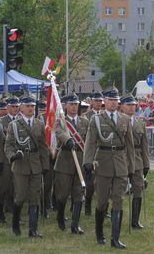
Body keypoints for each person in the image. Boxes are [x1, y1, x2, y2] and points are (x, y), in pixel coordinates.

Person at [83, 87, 135, 249]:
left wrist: (131, 169)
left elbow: (130, 146)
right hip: (103, 162)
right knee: (102, 201)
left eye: (116, 100)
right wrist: (88, 162)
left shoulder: (124, 119)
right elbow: (90, 142)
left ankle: (115, 238)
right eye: (110, 100)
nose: (113, 103)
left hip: (120, 163)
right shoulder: (96, 120)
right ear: (104, 101)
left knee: (118, 200)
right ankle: (99, 233)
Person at [4, 96, 50, 238]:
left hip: (35, 164)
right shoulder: (14, 125)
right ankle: (15, 224)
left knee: (34, 197)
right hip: (21, 164)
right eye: (27, 106)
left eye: (32, 106)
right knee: (21, 196)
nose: (31, 108)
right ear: (21, 108)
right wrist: (12, 156)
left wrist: (45, 165)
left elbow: (43, 146)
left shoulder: (39, 124)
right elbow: (9, 145)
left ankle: (33, 229)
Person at [53, 93, 89, 234]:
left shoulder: (85, 122)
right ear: (66, 105)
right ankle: (60, 217)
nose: (74, 107)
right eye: (71, 104)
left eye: (76, 104)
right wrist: (67, 140)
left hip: (80, 161)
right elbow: (59, 132)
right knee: (62, 194)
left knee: (78, 194)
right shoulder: (61, 121)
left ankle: (75, 224)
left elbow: (89, 141)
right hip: (65, 162)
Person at [120, 94, 150, 230]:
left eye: (133, 105)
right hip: (120, 157)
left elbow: (144, 145)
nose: (132, 107)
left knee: (138, 188)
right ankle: (113, 215)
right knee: (116, 189)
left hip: (137, 159)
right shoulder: (117, 121)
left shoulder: (140, 123)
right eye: (129, 105)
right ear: (122, 106)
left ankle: (135, 220)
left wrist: (146, 164)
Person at [0, 99, 15, 224]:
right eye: (12, 106)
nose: (15, 108)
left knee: (15, 187)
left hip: (17, 159)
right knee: (4, 186)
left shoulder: (20, 121)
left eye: (17, 106)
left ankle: (13, 211)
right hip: (5, 159)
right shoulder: (1, 122)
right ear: (7, 108)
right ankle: (0, 210)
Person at [82, 91, 104, 216]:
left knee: (103, 184)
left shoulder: (105, 115)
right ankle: (88, 204)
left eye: (100, 101)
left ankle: (103, 208)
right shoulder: (86, 116)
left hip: (102, 153)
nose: (99, 103)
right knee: (90, 183)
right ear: (91, 102)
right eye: (96, 101)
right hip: (90, 151)